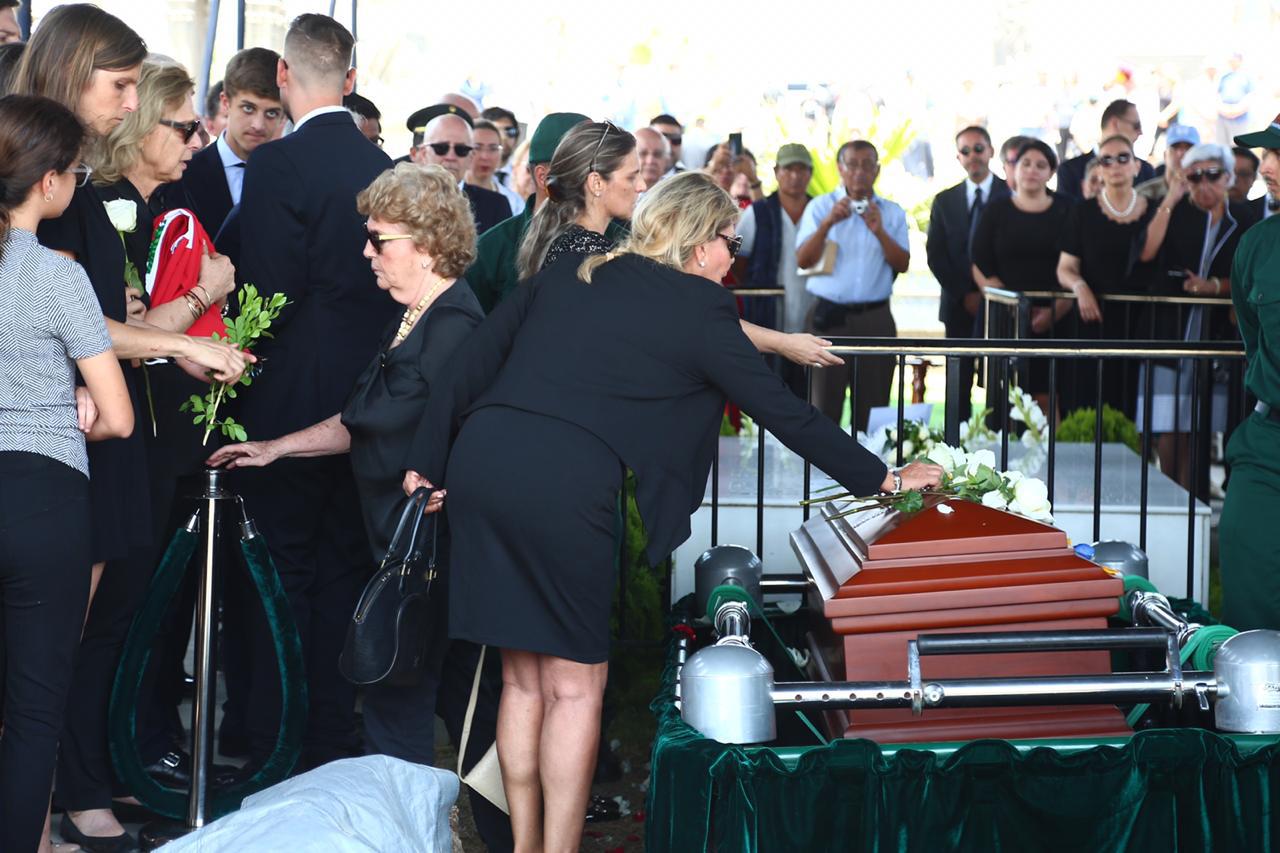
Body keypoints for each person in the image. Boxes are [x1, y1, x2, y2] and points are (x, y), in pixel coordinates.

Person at [401, 170, 942, 852]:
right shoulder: (699, 306)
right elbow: (786, 413)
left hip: (483, 463)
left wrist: (428, 460)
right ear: (696, 245)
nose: (732, 259)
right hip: (564, 483)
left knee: (524, 680)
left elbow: (468, 362)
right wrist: (886, 478)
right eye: (728, 243)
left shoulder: (576, 268)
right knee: (573, 689)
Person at [206, 163, 513, 851]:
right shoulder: (414, 319)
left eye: (379, 240)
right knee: (403, 711)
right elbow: (362, 419)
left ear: (427, 245)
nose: (366, 252)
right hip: (398, 553)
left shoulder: (455, 326)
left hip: (432, 565)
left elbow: (479, 433)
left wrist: (447, 481)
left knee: (405, 714)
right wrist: (275, 448)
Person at [13, 8, 247, 847]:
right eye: (120, 87)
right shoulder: (59, 192)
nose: (127, 104)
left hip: (76, 450)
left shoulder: (74, 188)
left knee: (50, 658)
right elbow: (82, 325)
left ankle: (46, 815)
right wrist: (184, 331)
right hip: (53, 456)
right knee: (39, 663)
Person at [234, 11, 395, 776]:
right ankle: (333, 739)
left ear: (285, 79)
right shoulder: (386, 168)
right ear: (353, 81)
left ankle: (277, 739)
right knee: (346, 571)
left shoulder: (277, 166)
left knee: (281, 571)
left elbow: (265, 295)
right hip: (374, 399)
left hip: (290, 402)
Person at [0, 91, 133, 853]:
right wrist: (78, 399)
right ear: (49, 181)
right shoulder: (56, 275)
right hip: (44, 497)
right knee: (34, 712)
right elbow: (115, 416)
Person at [1137, 142, 1246, 488]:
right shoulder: (1174, 212)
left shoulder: (1242, 220)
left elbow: (1248, 276)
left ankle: (1195, 505)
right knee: (1168, 424)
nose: (1204, 183)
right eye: (1194, 176)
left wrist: (1213, 286)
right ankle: (1173, 501)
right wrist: (1170, 198)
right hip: (1169, 334)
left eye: (1212, 175)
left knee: (1199, 426)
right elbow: (1145, 253)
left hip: (1213, 337)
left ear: (1228, 177)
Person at [795, 139, 910, 430]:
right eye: (853, 165)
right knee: (823, 404)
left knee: (873, 407)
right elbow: (804, 259)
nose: (860, 172)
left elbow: (902, 264)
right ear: (840, 168)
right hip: (828, 317)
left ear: (877, 169)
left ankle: (873, 473)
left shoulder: (891, 212)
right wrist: (827, 224)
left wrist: (879, 230)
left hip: (875, 317)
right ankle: (820, 474)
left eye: (867, 165)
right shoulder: (820, 207)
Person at [1220, 115, 1280, 632]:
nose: (1268, 166)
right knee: (1251, 605)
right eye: (1267, 153)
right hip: (1266, 444)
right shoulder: (1256, 245)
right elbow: (1253, 337)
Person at [972, 139, 1072, 416]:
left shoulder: (1067, 208)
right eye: (1025, 163)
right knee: (1003, 399)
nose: (1031, 171)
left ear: (1051, 172)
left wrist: (1056, 309)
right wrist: (1013, 307)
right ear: (1013, 169)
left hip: (1053, 319)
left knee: (1047, 399)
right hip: (1005, 319)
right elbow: (979, 257)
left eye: (1040, 165)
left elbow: (1077, 261)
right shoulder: (996, 210)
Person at [1057, 133, 1156, 415]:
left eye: (1123, 157)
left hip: (1141, 328)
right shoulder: (1082, 212)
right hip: (1091, 323)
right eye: (1106, 160)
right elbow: (1065, 267)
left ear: (1137, 166)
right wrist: (1080, 288)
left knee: (1135, 414)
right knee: (1087, 409)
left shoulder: (1154, 212)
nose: (1115, 165)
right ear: (1099, 168)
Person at [464, 111, 590, 313]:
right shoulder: (493, 248)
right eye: (585, 169)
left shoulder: (619, 241)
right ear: (543, 177)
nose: (598, 180)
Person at [927, 126, 1011, 419]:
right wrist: (965, 294)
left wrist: (990, 293)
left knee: (1001, 388)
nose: (973, 156)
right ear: (958, 157)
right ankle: (953, 454)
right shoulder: (944, 200)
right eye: (966, 151)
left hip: (1002, 306)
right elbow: (936, 256)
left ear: (990, 151)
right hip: (958, 306)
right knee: (957, 387)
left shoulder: (1011, 193)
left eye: (978, 149)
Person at [165, 47, 282, 237]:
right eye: (248, 108)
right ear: (226, 102)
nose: (258, 125)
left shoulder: (291, 177)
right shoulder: (184, 175)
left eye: (271, 113)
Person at [733, 142, 817, 396]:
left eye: (802, 169)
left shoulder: (821, 211)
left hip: (814, 316)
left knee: (811, 395)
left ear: (810, 173)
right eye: (789, 168)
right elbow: (738, 263)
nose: (795, 176)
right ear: (777, 171)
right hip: (768, 320)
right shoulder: (757, 213)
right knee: (768, 393)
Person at [516, 120, 644, 277]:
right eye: (631, 177)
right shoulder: (589, 260)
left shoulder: (562, 244)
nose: (642, 186)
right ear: (596, 183)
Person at [411, 107, 512, 234]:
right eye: (441, 148)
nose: (451, 157)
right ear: (423, 154)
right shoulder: (400, 199)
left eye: (461, 150)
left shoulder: (496, 206)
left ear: (470, 157)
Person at [1056, 99, 1157, 202]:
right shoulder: (1069, 171)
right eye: (1136, 126)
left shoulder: (1146, 171)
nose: (1140, 132)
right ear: (1115, 123)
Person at [465, 118, 524, 215]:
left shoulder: (514, 202)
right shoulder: (453, 195)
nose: (485, 156)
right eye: (477, 148)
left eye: (493, 148)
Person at [1137, 123, 1199, 202]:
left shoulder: (1208, 193)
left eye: (1188, 148)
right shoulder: (1145, 194)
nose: (1182, 153)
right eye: (1175, 147)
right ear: (1165, 155)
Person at [480, 104, 519, 185]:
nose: (503, 137)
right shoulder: (467, 173)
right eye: (496, 131)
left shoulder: (524, 175)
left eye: (510, 131)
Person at [634, 125, 670, 189]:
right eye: (643, 154)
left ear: (666, 160)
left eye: (657, 154)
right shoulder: (614, 192)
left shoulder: (677, 192)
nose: (650, 161)